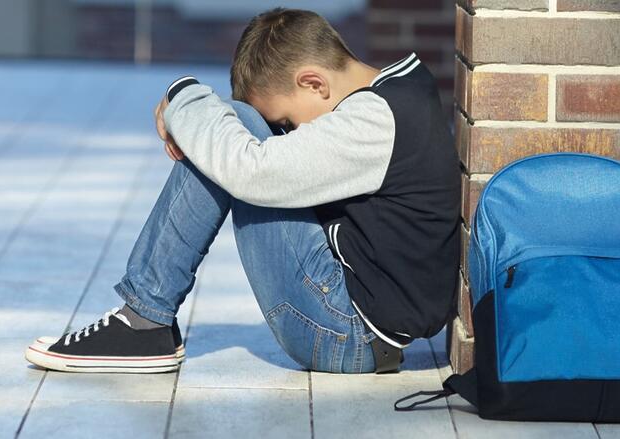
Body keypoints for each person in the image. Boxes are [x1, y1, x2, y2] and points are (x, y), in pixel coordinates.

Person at [24, 7, 460, 374]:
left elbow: (251, 170)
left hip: (347, 332)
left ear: (314, 84)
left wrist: (183, 98)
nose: (286, 133)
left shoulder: (374, 119)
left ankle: (144, 321)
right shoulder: (398, 90)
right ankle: (144, 320)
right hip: (359, 325)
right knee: (225, 137)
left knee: (233, 140)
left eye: (286, 121)